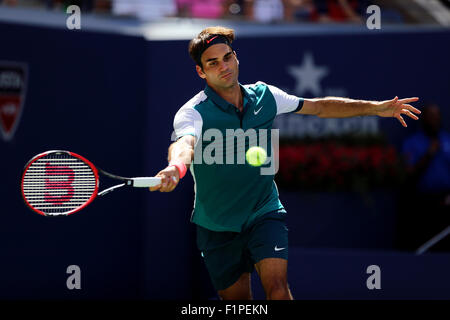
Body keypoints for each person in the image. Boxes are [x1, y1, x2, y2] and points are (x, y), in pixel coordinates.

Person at [149, 26, 421, 300]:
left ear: (236, 57)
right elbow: (185, 144)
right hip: (217, 225)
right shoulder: (193, 112)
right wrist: (176, 167)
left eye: (228, 57)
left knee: (278, 289)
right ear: (200, 71)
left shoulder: (266, 96)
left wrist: (375, 108)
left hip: (263, 211)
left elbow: (320, 107)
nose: (224, 66)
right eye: (213, 63)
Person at [398, 103, 450, 252]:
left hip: (446, 202)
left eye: (437, 116)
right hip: (422, 202)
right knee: (423, 244)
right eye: (431, 116)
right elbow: (409, 172)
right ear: (424, 119)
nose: (434, 120)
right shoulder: (412, 143)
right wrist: (428, 154)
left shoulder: (447, 140)